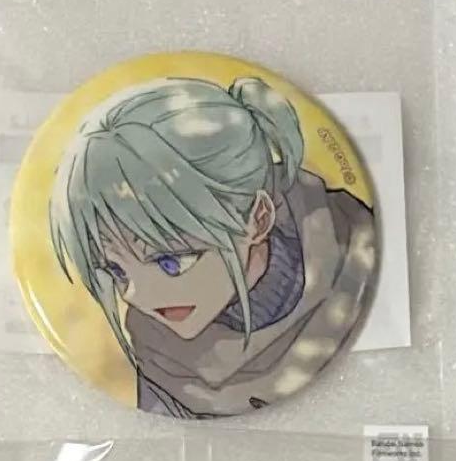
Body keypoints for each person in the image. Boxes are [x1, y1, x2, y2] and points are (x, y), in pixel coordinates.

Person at [49, 75, 378, 417]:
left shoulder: (356, 250)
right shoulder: (156, 346)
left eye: (171, 262)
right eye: (116, 271)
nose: (135, 295)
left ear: (259, 219)